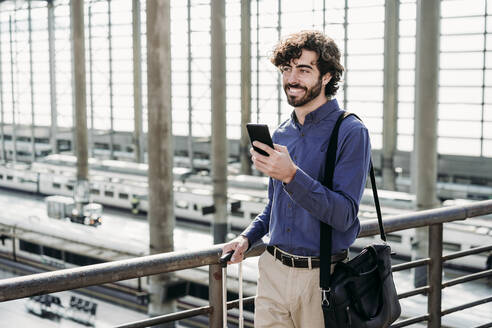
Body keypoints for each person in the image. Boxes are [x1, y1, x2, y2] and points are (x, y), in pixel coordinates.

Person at [222, 30, 372, 327]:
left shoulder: (351, 132)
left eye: (304, 70)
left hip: (321, 279)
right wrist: (247, 237)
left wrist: (291, 175)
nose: (292, 79)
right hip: (272, 271)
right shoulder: (281, 133)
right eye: (287, 69)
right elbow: (273, 206)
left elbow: (344, 216)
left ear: (327, 76)